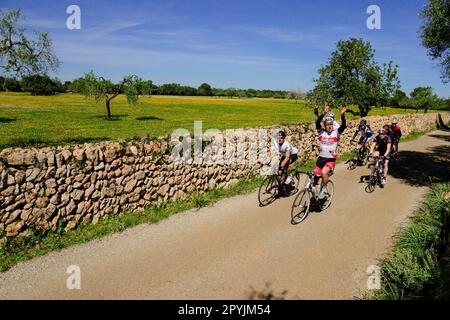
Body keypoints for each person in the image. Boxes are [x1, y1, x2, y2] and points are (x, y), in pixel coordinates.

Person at [314, 107, 348, 199]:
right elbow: (317, 123)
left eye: (331, 124)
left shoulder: (336, 133)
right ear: (324, 126)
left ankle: (324, 189)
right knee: (315, 177)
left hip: (330, 159)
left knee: (324, 173)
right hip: (320, 158)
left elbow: (344, 125)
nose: (329, 126)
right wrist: (323, 113)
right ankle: (315, 193)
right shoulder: (321, 132)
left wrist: (342, 115)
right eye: (327, 125)